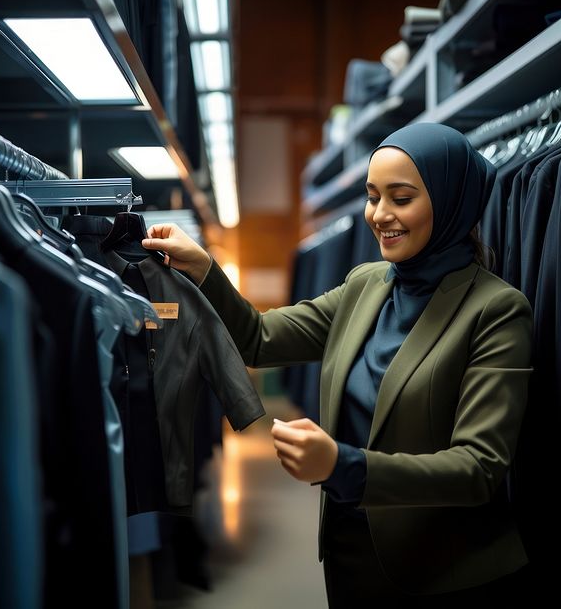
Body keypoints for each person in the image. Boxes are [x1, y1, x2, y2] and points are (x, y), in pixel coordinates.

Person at [142, 122, 533, 607]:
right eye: (373, 197)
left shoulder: (496, 310)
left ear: (451, 202)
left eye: (401, 198)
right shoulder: (366, 284)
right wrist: (203, 269)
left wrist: (343, 466)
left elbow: (478, 468)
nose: (379, 215)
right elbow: (259, 340)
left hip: (444, 573)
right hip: (351, 555)